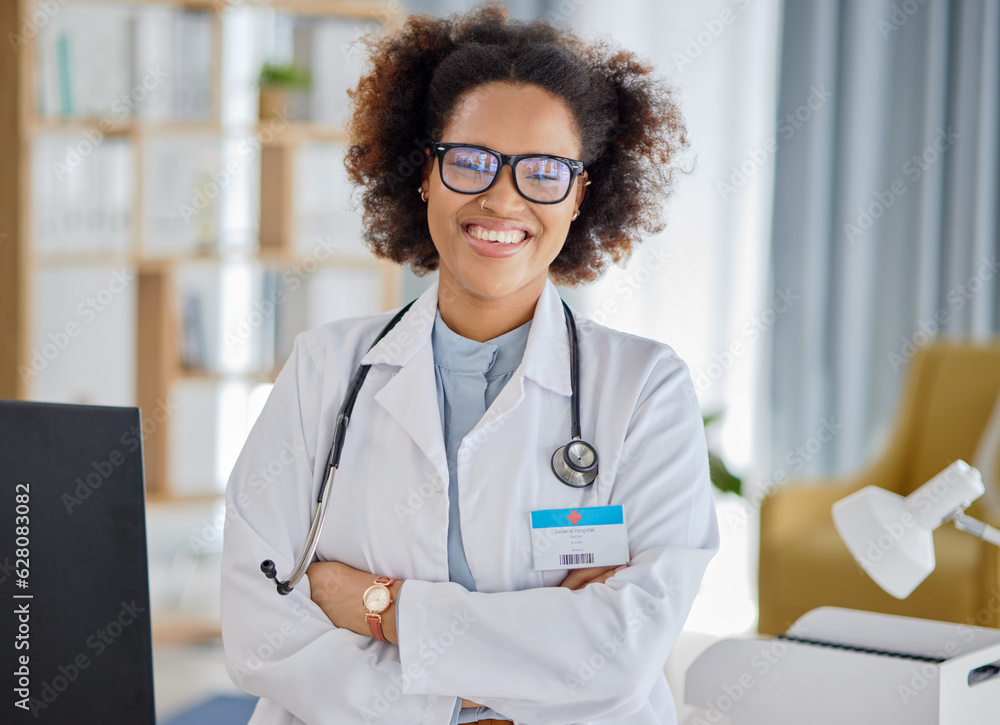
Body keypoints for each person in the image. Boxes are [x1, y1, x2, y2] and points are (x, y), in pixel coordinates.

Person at [221, 5, 719, 724]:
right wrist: (513, 664)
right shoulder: (324, 369)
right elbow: (259, 629)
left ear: (580, 194)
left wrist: (379, 606)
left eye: (544, 171)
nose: (502, 196)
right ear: (425, 173)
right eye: (471, 160)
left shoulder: (644, 388)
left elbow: (619, 656)